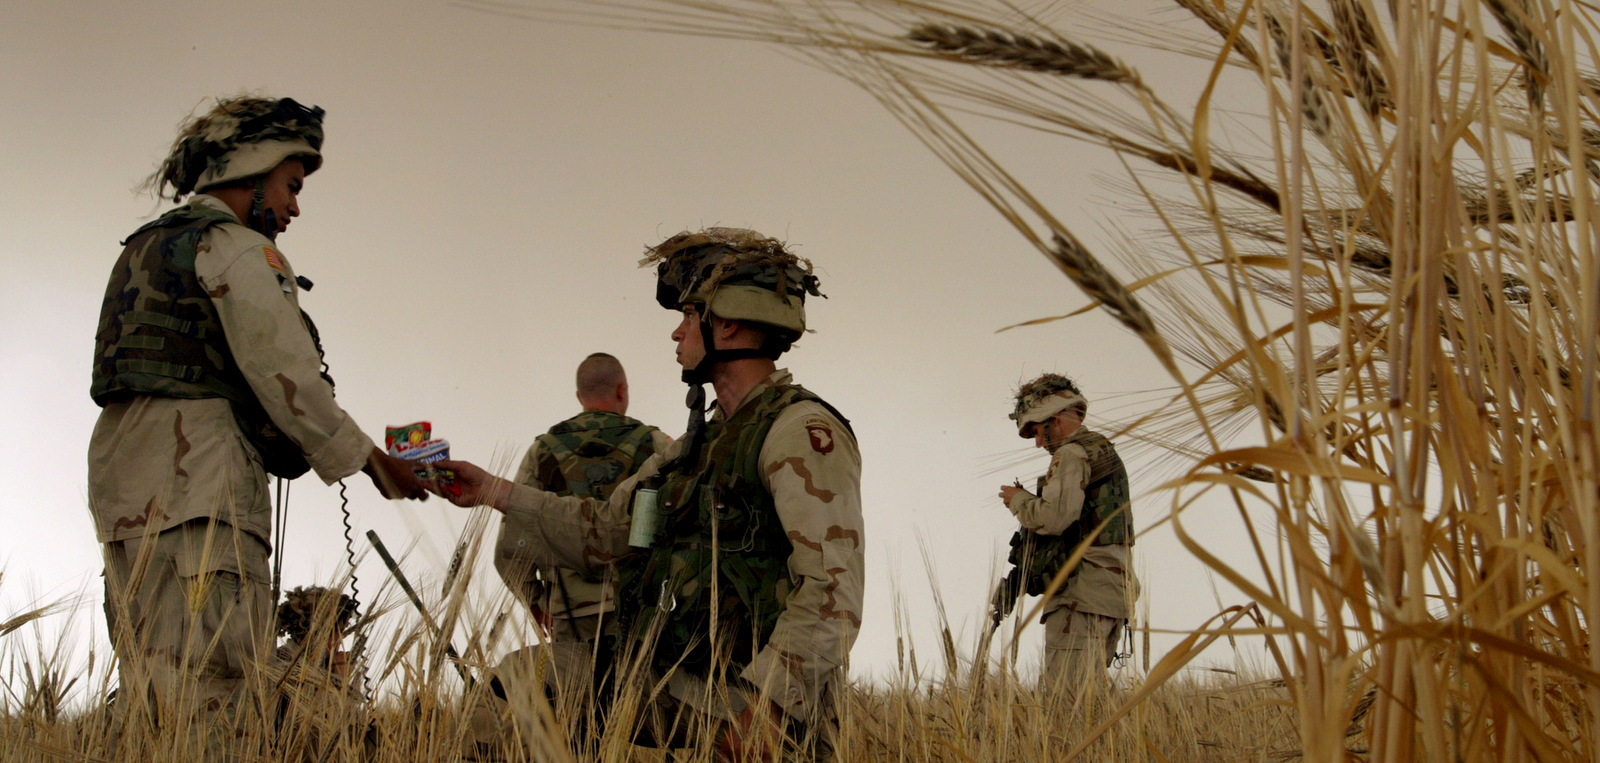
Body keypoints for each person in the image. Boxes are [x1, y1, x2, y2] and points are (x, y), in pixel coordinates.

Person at [435, 228, 863, 760]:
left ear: (725, 322)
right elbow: (606, 531)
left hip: (748, 700)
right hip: (674, 680)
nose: (677, 334)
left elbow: (832, 591)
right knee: (520, 683)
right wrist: (493, 490)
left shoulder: (798, 430)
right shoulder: (690, 448)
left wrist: (767, 708)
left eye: (687, 316)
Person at [87, 95, 428, 740]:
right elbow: (286, 375)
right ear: (252, 170)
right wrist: (370, 461)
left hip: (121, 490)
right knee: (220, 690)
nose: (295, 206)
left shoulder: (141, 250)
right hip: (201, 483)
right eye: (290, 186)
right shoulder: (239, 250)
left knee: (152, 693)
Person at [492, 353, 670, 716]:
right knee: (644, 715)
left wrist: (537, 601)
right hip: (641, 608)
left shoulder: (543, 450)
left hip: (570, 613)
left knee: (575, 722)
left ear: (579, 396)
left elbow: (511, 544)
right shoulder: (654, 444)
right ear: (622, 390)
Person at [995, 373, 1136, 694]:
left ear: (1054, 419)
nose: (1038, 443)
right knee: (1091, 703)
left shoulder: (1072, 453)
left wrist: (1018, 500)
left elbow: (1056, 518)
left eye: (1037, 431)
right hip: (1110, 595)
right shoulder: (1102, 449)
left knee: (1065, 706)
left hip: (1080, 598)